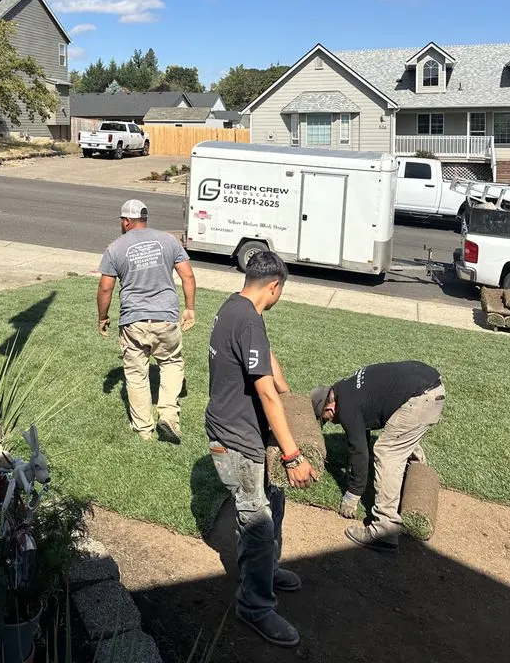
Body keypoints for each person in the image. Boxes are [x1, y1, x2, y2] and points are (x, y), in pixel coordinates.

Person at [205, 250, 316, 649]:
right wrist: (293, 455)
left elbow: (265, 361)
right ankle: (253, 606)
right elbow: (265, 392)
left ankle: (266, 572)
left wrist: (288, 393)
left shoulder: (236, 306)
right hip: (235, 438)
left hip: (241, 430)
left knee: (274, 503)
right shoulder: (247, 318)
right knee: (257, 522)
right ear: (275, 286)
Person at [311, 360, 445, 552]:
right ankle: (414, 488)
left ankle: (385, 530)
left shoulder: (346, 405)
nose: (332, 422)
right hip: (431, 385)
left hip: (420, 397)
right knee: (402, 440)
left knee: (387, 452)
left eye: (328, 419)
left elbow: (359, 451)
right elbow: (361, 432)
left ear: (330, 408)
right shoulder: (346, 389)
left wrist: (353, 494)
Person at [97, 199, 196, 443]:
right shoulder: (169, 241)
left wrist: (102, 317)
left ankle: (144, 431)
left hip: (133, 322)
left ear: (126, 221)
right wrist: (190, 308)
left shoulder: (115, 248)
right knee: (172, 363)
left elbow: (106, 288)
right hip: (166, 319)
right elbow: (188, 275)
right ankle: (169, 417)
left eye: (122, 220)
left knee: (136, 374)